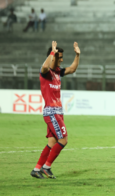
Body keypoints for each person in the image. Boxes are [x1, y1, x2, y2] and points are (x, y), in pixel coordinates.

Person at [30, 41, 81, 179]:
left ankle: (36, 169)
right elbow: (45, 66)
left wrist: (77, 55)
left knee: (52, 143)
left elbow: (72, 69)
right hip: (52, 112)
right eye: (60, 57)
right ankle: (47, 167)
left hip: (58, 112)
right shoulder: (45, 72)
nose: (62, 59)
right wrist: (52, 53)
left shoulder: (58, 72)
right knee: (63, 139)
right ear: (53, 57)